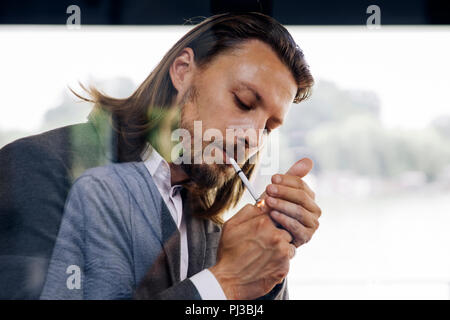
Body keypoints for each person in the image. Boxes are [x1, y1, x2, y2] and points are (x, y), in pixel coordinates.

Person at [1, 12, 321, 300]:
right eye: (243, 101)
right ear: (182, 72)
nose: (252, 137)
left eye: (268, 127)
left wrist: (268, 268)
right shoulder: (38, 166)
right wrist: (223, 282)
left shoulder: (212, 229)